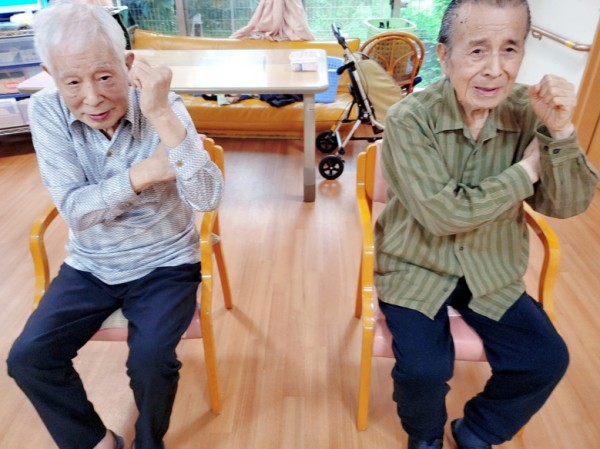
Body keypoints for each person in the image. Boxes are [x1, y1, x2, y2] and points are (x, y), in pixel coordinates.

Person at [375, 1, 598, 448]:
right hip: (415, 264)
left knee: (545, 359)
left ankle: (477, 429)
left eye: (509, 49)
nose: (495, 69)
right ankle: (424, 436)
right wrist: (527, 171)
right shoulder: (409, 119)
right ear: (445, 56)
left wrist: (560, 133)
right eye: (477, 50)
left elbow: (568, 205)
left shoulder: (530, 109)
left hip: (490, 265)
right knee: (424, 370)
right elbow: (444, 215)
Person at [6, 2, 224, 449]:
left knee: (152, 361)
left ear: (128, 64)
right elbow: (76, 211)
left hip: (166, 261)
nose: (92, 98)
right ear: (50, 75)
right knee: (28, 358)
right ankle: (97, 441)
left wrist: (161, 114)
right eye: (72, 82)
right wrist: (144, 174)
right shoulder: (46, 111)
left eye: (105, 76)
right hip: (91, 264)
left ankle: (149, 442)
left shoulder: (163, 105)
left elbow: (207, 198)